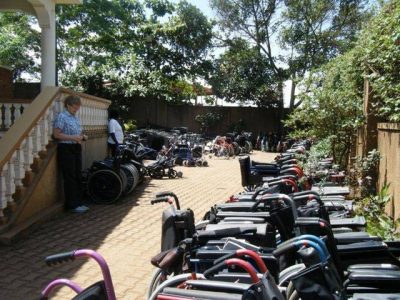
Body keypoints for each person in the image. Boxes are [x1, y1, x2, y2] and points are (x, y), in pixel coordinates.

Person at [53, 95, 89, 213]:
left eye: (78, 107)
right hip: (66, 148)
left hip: (76, 147)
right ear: (68, 105)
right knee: (70, 177)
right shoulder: (62, 117)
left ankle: (78, 201)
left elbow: (78, 132)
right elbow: (57, 135)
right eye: (75, 107)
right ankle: (72, 204)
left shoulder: (75, 118)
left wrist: (82, 137)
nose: (76, 109)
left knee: (77, 174)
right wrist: (74, 137)